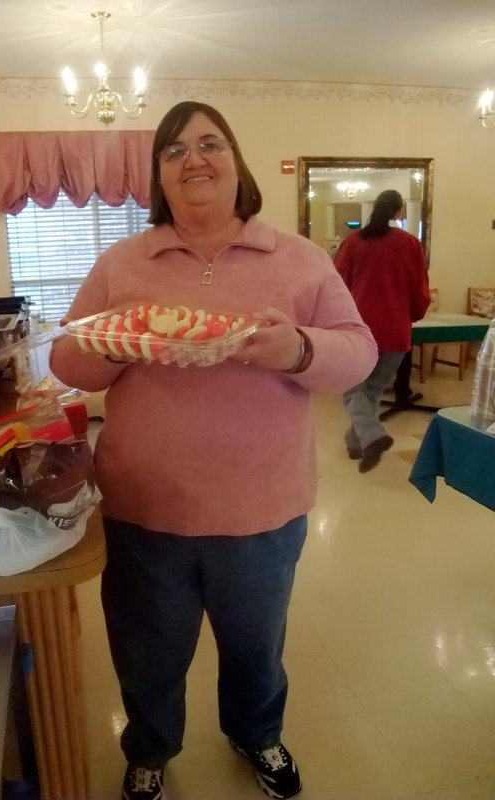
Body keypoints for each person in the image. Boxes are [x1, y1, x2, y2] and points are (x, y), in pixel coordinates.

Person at [49, 101, 377, 800]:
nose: (193, 159)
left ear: (237, 160)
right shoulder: (123, 260)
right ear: (159, 175)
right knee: (147, 653)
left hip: (261, 511)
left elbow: (359, 354)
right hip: (144, 509)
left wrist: (298, 348)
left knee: (256, 649)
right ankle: (149, 750)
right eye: (174, 150)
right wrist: (108, 345)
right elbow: (68, 360)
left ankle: (258, 736)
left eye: (210, 143)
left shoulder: (299, 258)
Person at [333, 189, 430, 473]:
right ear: (399, 210)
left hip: (359, 330)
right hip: (396, 331)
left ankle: (371, 437)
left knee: (353, 391)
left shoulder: (354, 242)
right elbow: (420, 291)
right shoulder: (411, 243)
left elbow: (336, 285)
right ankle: (356, 443)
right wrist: (410, 316)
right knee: (372, 390)